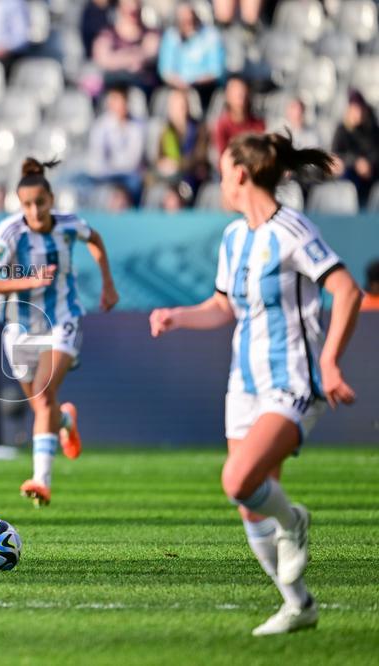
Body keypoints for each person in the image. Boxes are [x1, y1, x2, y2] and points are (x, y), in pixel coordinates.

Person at [149, 132, 362, 636]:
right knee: (251, 500)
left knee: (237, 480)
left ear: (241, 174)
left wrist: (330, 362)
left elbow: (346, 290)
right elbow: (223, 305)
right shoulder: (234, 236)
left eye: (223, 171)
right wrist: (178, 315)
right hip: (243, 384)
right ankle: (299, 604)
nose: (221, 181)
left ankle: (295, 522)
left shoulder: (291, 229)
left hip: (292, 381)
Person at [0, 158, 119, 507]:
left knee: (42, 394)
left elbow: (95, 238)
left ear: (51, 199)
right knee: (43, 404)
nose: (34, 211)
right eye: (27, 205)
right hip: (20, 326)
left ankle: (41, 480)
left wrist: (108, 284)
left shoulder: (69, 225)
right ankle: (66, 419)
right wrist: (30, 280)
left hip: (63, 318)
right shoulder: (9, 233)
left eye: (40, 203)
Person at [86, 85, 147, 204]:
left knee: (135, 184)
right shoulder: (100, 126)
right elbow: (98, 159)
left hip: (127, 175)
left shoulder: (136, 127)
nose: (120, 105)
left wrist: (118, 168)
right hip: (105, 175)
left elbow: (134, 160)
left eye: (123, 101)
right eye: (116, 100)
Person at [157, 2, 225, 109]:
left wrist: (195, 82)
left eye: (191, 18)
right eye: (184, 20)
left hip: (205, 88)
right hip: (178, 87)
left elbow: (216, 70)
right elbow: (165, 70)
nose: (188, 22)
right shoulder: (171, 36)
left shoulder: (210, 35)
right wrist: (180, 83)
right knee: (175, 100)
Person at [152, 87, 210, 199]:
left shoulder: (199, 129)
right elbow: (159, 158)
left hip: (193, 177)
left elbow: (200, 158)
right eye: (176, 106)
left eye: (183, 105)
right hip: (171, 179)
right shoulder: (166, 132)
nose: (180, 109)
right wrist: (163, 164)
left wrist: (177, 164)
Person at [91, 0, 160, 93]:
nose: (133, 8)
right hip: (113, 90)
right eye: (128, 5)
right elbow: (103, 60)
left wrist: (117, 57)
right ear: (120, 7)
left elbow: (151, 53)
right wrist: (137, 55)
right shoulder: (106, 35)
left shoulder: (151, 35)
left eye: (136, 4)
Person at [332, 90, 379, 208]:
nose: (357, 113)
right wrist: (356, 162)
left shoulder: (372, 129)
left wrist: (368, 165)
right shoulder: (342, 130)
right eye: (354, 109)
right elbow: (336, 154)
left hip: (371, 173)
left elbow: (376, 151)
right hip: (350, 174)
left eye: (360, 109)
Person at [212, 76, 264, 158]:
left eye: (243, 92)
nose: (241, 97)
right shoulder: (222, 126)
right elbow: (221, 157)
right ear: (228, 96)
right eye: (237, 93)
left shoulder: (259, 124)